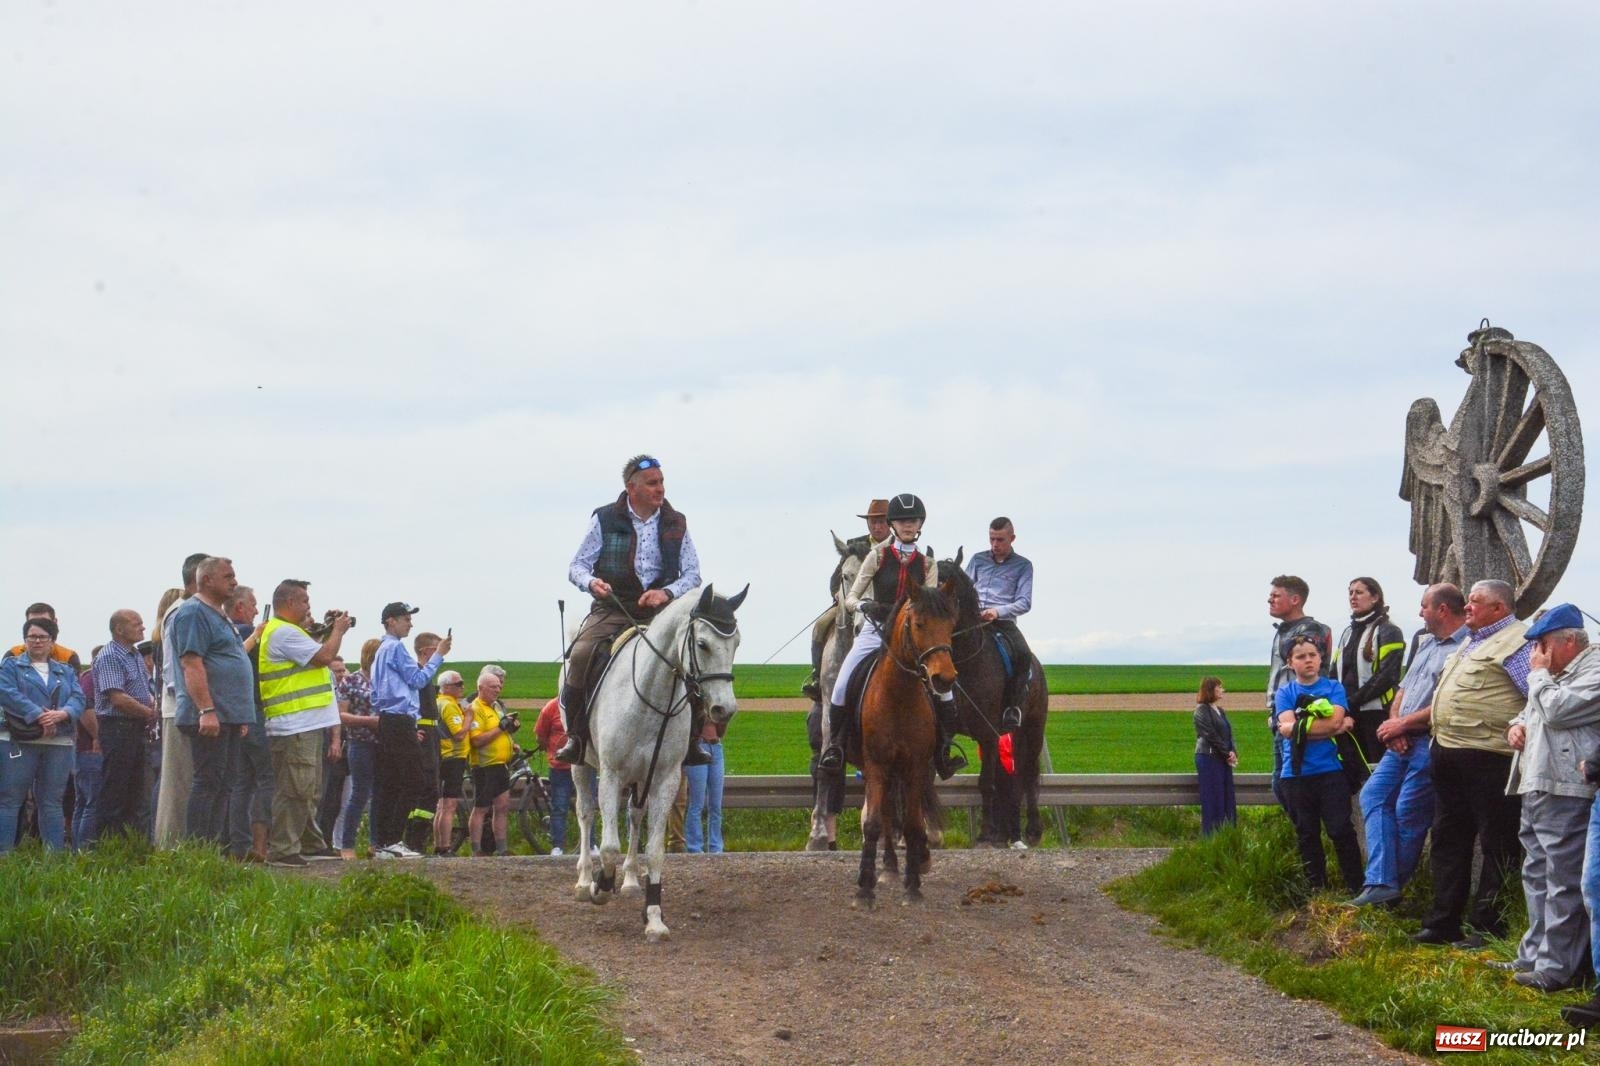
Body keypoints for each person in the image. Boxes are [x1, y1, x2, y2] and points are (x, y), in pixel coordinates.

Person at [557, 453, 707, 767]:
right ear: (632, 487)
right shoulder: (604, 518)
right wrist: (592, 583)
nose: (661, 489)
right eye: (653, 483)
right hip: (612, 609)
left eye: (662, 482)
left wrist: (665, 592)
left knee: (694, 661)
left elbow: (692, 574)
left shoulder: (676, 522)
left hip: (660, 614)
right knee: (582, 653)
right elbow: (577, 566)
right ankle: (576, 736)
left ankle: (693, 740)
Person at [1412, 579, 1532, 948]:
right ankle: (1443, 921)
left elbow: (1537, 694)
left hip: (1491, 757)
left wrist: (1522, 727)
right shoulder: (1470, 641)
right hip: (1448, 752)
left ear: (1498, 608)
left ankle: (1488, 926)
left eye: (1475, 602)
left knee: (1498, 843)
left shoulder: (1518, 642)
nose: (1467, 607)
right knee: (1448, 838)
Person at [819, 493, 965, 780]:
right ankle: (835, 746)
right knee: (841, 685)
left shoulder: (927, 564)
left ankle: (944, 751)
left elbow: (930, 602)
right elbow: (851, 599)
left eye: (913, 520)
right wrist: (866, 606)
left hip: (914, 638)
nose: (908, 525)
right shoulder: (877, 556)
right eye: (902, 521)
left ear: (920, 523)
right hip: (876, 631)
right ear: (893, 524)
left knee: (945, 689)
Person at [1500, 605, 1600, 991]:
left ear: (1570, 641)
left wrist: (1538, 675)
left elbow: (1558, 710)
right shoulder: (1553, 673)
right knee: (1536, 873)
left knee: (1563, 879)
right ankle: (1532, 956)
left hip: (1568, 788)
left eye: (1543, 645)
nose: (1537, 654)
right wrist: (1516, 727)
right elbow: (1532, 711)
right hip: (1537, 780)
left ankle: (1557, 968)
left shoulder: (1593, 670)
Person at [1350, 583, 1468, 907]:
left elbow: (1448, 703)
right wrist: (1395, 725)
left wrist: (1404, 723)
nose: (1420, 612)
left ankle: (1386, 892)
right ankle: (1382, 883)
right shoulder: (1426, 642)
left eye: (1424, 606)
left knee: (1408, 815)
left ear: (1442, 609)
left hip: (1430, 743)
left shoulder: (1465, 648)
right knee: (1373, 794)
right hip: (1401, 740)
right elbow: (1403, 689)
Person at [258, 579, 349, 867]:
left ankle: (310, 842)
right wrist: (338, 631)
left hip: (305, 722)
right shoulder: (283, 633)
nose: (309, 606)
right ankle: (284, 848)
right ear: (289, 603)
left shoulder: (291, 632)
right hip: (293, 723)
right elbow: (324, 656)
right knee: (296, 788)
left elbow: (313, 652)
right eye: (305, 602)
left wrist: (327, 627)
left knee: (308, 788)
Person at [170, 556, 255, 846]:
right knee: (209, 783)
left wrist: (239, 715)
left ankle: (214, 849)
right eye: (228, 576)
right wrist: (206, 710)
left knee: (225, 784)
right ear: (207, 580)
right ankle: (197, 851)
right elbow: (192, 663)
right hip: (209, 716)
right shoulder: (194, 613)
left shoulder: (219, 613)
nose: (234, 581)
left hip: (228, 716)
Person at [1274, 635, 1364, 893]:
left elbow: (1331, 722)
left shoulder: (1334, 687)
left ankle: (1356, 888)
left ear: (1320, 658)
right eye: (1301, 657)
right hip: (1296, 774)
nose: (1308, 660)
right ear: (1291, 663)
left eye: (1312, 655)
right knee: (1307, 834)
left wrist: (1300, 727)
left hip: (1331, 772)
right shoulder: (1286, 692)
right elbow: (1288, 729)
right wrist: (1332, 728)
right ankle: (1317, 891)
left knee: (1340, 831)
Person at [370, 601, 451, 859]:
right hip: (400, 719)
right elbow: (418, 679)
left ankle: (383, 841)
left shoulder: (381, 650)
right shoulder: (395, 648)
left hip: (386, 719)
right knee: (414, 779)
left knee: (391, 781)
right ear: (390, 621)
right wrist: (438, 655)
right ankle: (393, 839)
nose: (410, 623)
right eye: (405, 618)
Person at [0, 618, 87, 853]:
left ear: (52, 641)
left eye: (42, 637)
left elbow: (79, 699)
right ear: (25, 640)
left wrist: (61, 714)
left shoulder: (66, 670)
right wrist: (39, 715)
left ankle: (54, 860)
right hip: (19, 741)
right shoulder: (10, 666)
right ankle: (5, 858)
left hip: (58, 742)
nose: (37, 641)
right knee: (10, 801)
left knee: (51, 803)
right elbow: (7, 693)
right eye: (32, 637)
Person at [801, 498, 891, 700]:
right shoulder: (854, 544)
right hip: (850, 603)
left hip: (883, 606)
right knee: (820, 625)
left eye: (881, 521)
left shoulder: (896, 547)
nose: (876, 526)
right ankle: (817, 676)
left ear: (891, 522)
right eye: (872, 522)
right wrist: (837, 593)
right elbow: (836, 578)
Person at [1266, 576, 1334, 810]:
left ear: (1295, 600)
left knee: (1285, 781)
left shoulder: (1309, 630)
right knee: (1281, 782)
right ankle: (1306, 835)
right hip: (1281, 713)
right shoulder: (1283, 630)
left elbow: (1307, 674)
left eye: (1276, 595)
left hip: (1299, 715)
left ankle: (1308, 834)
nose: (1270, 600)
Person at [154, 556, 209, 847]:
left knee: (186, 781)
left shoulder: (189, 611)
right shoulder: (182, 612)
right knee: (178, 783)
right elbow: (178, 668)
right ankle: (170, 849)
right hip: (181, 708)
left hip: (189, 707)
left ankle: (180, 846)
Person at [92, 610, 158, 843]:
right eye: (136, 623)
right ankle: (108, 845)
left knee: (135, 791)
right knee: (116, 789)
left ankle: (130, 845)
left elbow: (141, 691)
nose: (142, 627)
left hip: (136, 728)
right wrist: (150, 713)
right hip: (118, 727)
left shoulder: (135, 655)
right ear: (119, 629)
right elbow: (117, 698)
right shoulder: (111, 655)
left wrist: (152, 707)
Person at [964, 516, 1036, 730]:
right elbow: (966, 589)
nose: (995, 544)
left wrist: (997, 611)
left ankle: (1012, 707)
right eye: (992, 539)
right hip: (973, 621)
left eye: (1000, 540)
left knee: (1023, 654)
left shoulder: (1023, 565)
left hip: (1003, 623)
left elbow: (1025, 602)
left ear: (1012, 538)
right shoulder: (977, 560)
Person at [1332, 577, 1406, 765]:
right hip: (1347, 714)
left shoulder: (1389, 631)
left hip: (1376, 714)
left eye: (1359, 592)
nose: (1353, 597)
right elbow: (1334, 673)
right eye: (1350, 593)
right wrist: (1339, 705)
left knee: (1377, 767)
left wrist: (1352, 702)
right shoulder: (1347, 632)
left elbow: (1387, 676)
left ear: (1375, 598)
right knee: (1350, 768)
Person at [225, 585, 272, 862]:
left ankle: (238, 845)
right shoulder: (244, 632)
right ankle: (260, 845)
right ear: (240, 607)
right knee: (266, 779)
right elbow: (239, 657)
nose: (256, 610)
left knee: (241, 783)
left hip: (239, 714)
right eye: (253, 604)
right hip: (254, 713)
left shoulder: (228, 632)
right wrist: (258, 634)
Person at [332, 638, 381, 859]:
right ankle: (347, 844)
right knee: (359, 794)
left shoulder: (387, 680)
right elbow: (341, 714)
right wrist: (368, 720)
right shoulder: (351, 681)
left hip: (385, 744)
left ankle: (377, 844)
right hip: (360, 741)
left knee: (381, 794)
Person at [466, 666, 516, 856]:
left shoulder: (496, 707)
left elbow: (501, 732)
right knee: (481, 807)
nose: (498, 690)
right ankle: (476, 849)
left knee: (502, 806)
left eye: (499, 687)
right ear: (481, 688)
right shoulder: (475, 708)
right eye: (493, 687)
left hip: (501, 764)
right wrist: (501, 729)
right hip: (484, 765)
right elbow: (477, 740)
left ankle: (501, 848)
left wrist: (511, 737)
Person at [407, 631, 444, 854]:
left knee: (432, 787)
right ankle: (413, 837)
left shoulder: (427, 676)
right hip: (422, 732)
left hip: (432, 733)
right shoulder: (417, 673)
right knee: (425, 786)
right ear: (425, 651)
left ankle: (418, 838)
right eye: (436, 651)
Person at [1193, 676, 1237, 835]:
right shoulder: (1201, 710)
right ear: (1210, 690)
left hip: (1222, 758)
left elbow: (1228, 734)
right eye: (1219, 687)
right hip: (1208, 758)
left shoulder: (1220, 710)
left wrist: (1233, 752)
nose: (1222, 690)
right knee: (1213, 798)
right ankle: (1211, 836)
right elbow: (1210, 735)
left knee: (1226, 798)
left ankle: (1227, 835)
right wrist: (1227, 753)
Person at [433, 669, 470, 856]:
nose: (462, 687)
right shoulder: (448, 705)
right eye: (458, 684)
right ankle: (445, 846)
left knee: (441, 805)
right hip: (453, 757)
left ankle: (438, 844)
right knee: (449, 805)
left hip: (441, 756)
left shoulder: (437, 702)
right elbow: (459, 734)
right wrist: (469, 717)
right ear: (446, 687)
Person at [534, 695, 576, 855]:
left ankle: (591, 844)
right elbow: (540, 736)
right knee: (559, 806)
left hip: (583, 765)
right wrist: (553, 751)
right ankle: (557, 846)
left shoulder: (584, 703)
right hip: (560, 768)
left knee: (588, 804)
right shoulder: (551, 707)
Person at [72, 648, 102, 849]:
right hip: (90, 749)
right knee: (93, 802)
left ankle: (77, 851)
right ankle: (85, 852)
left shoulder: (85, 678)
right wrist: (98, 737)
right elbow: (84, 708)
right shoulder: (91, 678)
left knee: (83, 803)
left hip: (82, 749)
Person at [685, 715, 727, 853]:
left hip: (716, 747)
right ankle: (695, 847)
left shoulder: (716, 707)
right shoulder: (697, 703)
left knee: (715, 805)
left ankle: (716, 847)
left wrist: (723, 720)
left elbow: (721, 730)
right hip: (698, 747)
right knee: (697, 803)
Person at [8, 603, 83, 671]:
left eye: (44, 622)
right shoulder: (12, 655)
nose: (38, 627)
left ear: (55, 622)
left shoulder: (68, 657)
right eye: (33, 622)